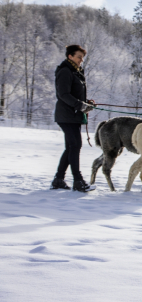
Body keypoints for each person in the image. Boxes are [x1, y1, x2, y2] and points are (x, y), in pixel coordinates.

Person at [51, 44, 95, 192]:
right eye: (79, 57)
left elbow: (75, 94)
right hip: (66, 116)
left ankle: (58, 179)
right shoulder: (65, 71)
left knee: (71, 146)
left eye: (82, 58)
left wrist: (85, 103)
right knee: (75, 145)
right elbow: (63, 94)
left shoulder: (76, 72)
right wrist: (80, 106)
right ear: (70, 56)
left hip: (73, 115)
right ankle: (78, 180)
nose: (81, 60)